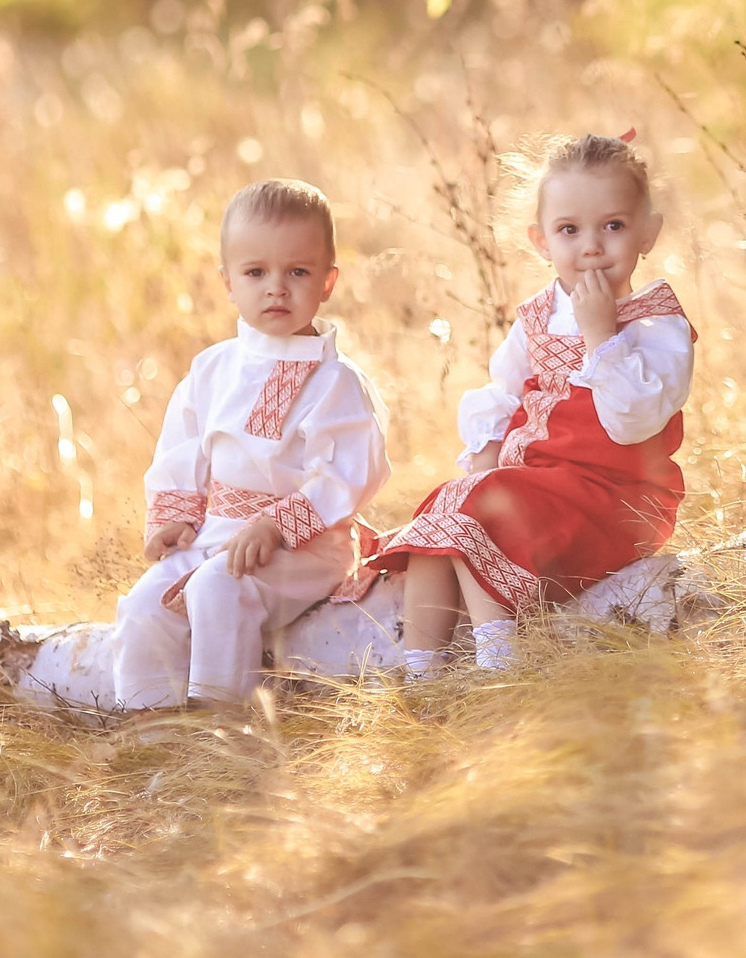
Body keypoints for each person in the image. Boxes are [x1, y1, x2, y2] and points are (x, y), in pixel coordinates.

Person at [376, 132, 695, 675]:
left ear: (648, 232)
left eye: (613, 226)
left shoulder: (656, 323)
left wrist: (603, 340)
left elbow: (633, 421)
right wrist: (488, 447)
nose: (591, 246)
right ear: (541, 240)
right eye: (569, 230)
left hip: (612, 497)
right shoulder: (538, 316)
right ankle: (421, 670)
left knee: (485, 503)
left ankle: (499, 659)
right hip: (538, 487)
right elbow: (504, 391)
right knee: (449, 501)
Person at [113, 178, 390, 710]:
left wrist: (277, 525)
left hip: (305, 544)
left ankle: (219, 724)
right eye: (256, 272)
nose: (277, 288)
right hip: (215, 529)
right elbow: (183, 447)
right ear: (227, 282)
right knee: (145, 604)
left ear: (328, 281)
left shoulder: (336, 381)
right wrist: (173, 514)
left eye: (298, 272)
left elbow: (350, 473)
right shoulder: (213, 368)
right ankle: (149, 724)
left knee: (219, 587)